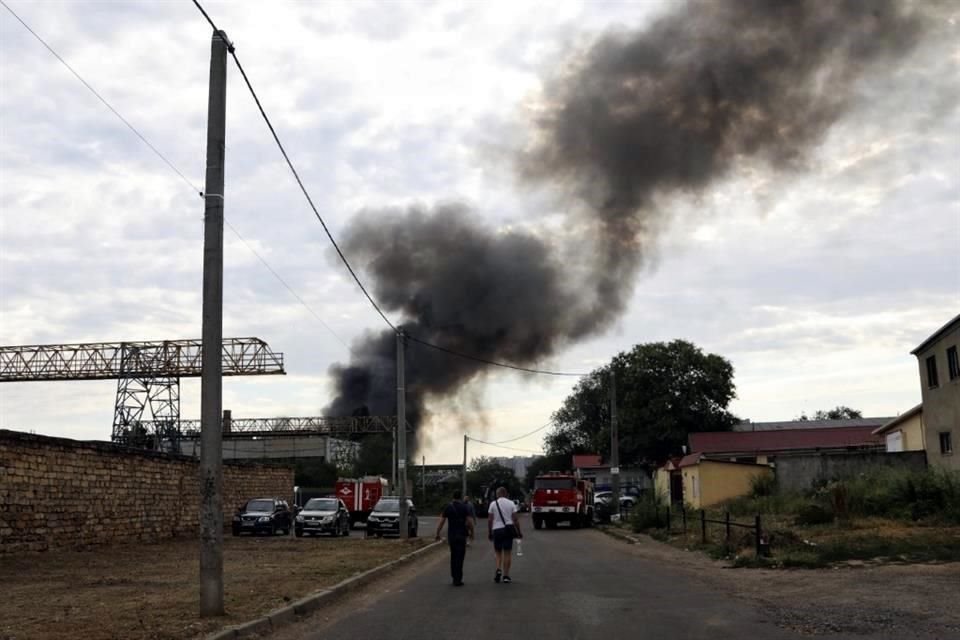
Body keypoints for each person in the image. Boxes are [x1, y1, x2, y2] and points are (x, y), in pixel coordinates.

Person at [435, 489, 473, 586]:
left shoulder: (448, 507)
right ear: (460, 497)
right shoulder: (464, 507)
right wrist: (472, 533)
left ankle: (454, 576)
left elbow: (442, 521)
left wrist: (437, 533)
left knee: (453, 556)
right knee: (460, 557)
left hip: (452, 535)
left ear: (453, 497)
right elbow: (469, 521)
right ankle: (458, 579)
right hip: (461, 535)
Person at [487, 486, 522, 584]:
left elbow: (490, 520)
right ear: (506, 494)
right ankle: (506, 576)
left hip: (497, 530)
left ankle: (498, 569)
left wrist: (490, 532)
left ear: (497, 494)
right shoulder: (511, 503)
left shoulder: (493, 504)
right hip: (508, 530)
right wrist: (519, 532)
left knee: (498, 552)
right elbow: (515, 519)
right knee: (507, 552)